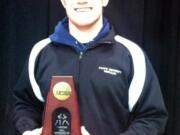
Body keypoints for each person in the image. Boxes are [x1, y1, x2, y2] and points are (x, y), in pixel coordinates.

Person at [13, 0, 168, 135]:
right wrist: (28, 130)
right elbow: (24, 104)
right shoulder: (41, 51)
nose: (82, 1)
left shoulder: (131, 55)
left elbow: (152, 118)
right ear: (63, 1)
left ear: (104, 0)